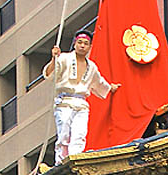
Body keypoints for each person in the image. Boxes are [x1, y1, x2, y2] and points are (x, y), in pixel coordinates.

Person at [43, 30, 120, 164]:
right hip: (65, 101)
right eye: (80, 42)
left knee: (80, 133)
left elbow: (100, 82)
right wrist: (54, 58)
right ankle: (61, 162)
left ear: (90, 47)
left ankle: (76, 158)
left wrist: (111, 88)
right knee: (64, 134)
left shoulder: (92, 67)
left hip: (81, 103)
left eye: (86, 43)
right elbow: (50, 74)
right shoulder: (64, 58)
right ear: (74, 44)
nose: (82, 46)